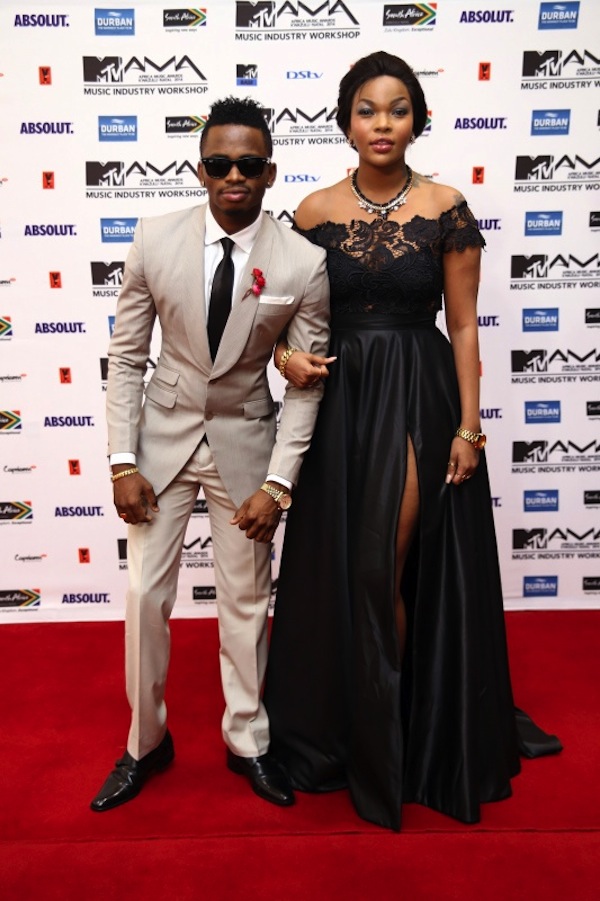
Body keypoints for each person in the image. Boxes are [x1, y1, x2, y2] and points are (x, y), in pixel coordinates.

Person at [264, 51, 560, 831]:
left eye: (398, 109)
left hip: (417, 394)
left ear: (418, 120)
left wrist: (468, 424)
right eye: (367, 109)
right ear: (345, 122)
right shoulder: (314, 211)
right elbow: (282, 323)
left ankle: (396, 724)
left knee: (383, 562)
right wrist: (284, 357)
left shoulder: (446, 206)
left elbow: (462, 325)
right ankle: (361, 718)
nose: (382, 123)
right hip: (340, 402)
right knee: (345, 567)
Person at [90, 96, 330, 812]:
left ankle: (247, 740)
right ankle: (145, 743)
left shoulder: (303, 261)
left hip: (247, 444)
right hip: (159, 445)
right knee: (143, 598)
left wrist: (279, 483)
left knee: (247, 604)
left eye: (248, 165)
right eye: (219, 163)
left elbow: (308, 385)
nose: (233, 176)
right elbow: (126, 358)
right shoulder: (154, 238)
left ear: (269, 172)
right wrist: (122, 460)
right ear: (200, 169)